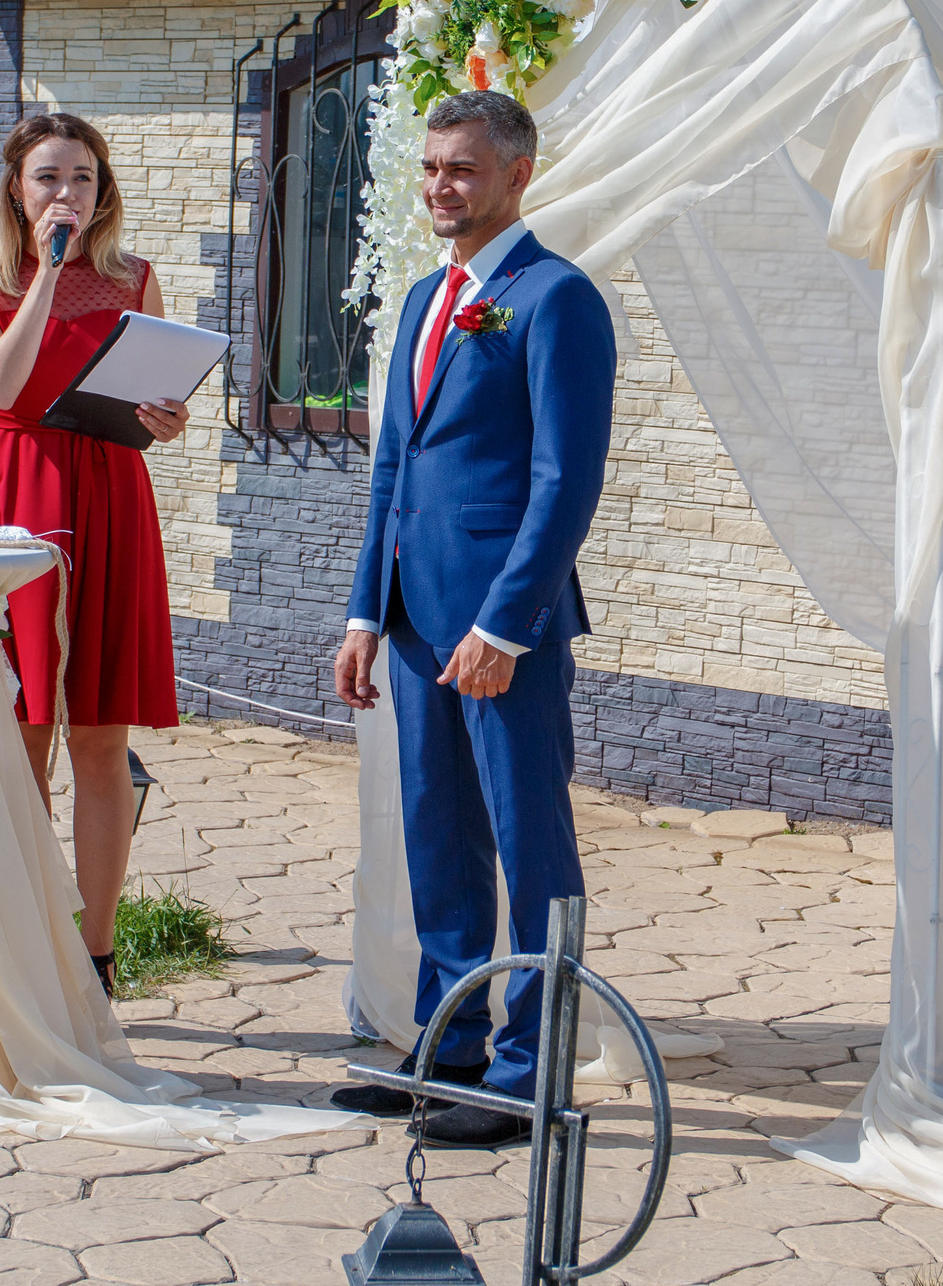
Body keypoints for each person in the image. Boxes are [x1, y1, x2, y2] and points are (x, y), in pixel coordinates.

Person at [328, 89, 618, 1149]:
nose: (440, 185)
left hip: (504, 631)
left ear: (515, 174)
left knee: (525, 839)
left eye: (460, 167)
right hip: (412, 623)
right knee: (436, 839)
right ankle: (446, 1049)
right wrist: (366, 608)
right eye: (430, 166)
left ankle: (527, 1073)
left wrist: (505, 626)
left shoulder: (555, 301)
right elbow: (392, 471)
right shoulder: (420, 300)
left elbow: (562, 483)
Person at [0, 112, 190, 998]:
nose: (67, 194)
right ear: (18, 186)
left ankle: (94, 952)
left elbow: (156, 402)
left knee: (99, 733)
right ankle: (22, 938)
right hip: (19, 504)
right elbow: (2, 382)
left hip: (112, 495)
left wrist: (168, 419)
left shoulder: (136, 278)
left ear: (103, 188)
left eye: (83, 178)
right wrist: (48, 271)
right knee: (23, 732)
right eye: (49, 177)